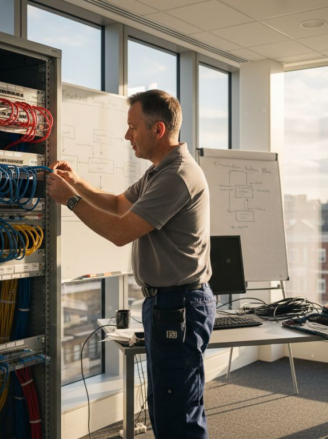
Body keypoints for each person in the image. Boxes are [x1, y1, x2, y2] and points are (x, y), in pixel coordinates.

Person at [46, 89, 215, 438]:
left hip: (179, 306)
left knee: (176, 412)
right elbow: (120, 204)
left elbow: (121, 231)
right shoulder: (159, 172)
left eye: (132, 127)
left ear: (158, 130)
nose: (127, 136)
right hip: (167, 304)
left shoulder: (177, 176)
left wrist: (71, 200)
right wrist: (76, 182)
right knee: (168, 406)